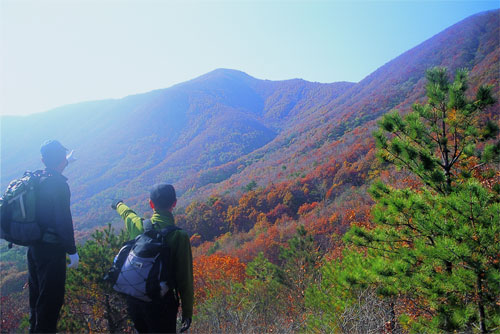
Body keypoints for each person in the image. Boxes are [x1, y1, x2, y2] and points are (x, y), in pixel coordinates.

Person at [112, 183, 193, 333]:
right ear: (174, 203)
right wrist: (187, 312)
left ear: (151, 204)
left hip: (135, 300)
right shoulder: (179, 236)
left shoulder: (139, 225)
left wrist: (118, 204)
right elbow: (185, 278)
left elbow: (127, 213)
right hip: (162, 303)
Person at [28, 140, 79, 333]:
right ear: (60, 159)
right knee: (50, 302)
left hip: (33, 248)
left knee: (36, 299)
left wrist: (66, 161)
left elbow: (53, 168)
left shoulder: (38, 177)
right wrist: (72, 251)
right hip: (51, 251)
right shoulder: (59, 185)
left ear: (42, 160)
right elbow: (63, 220)